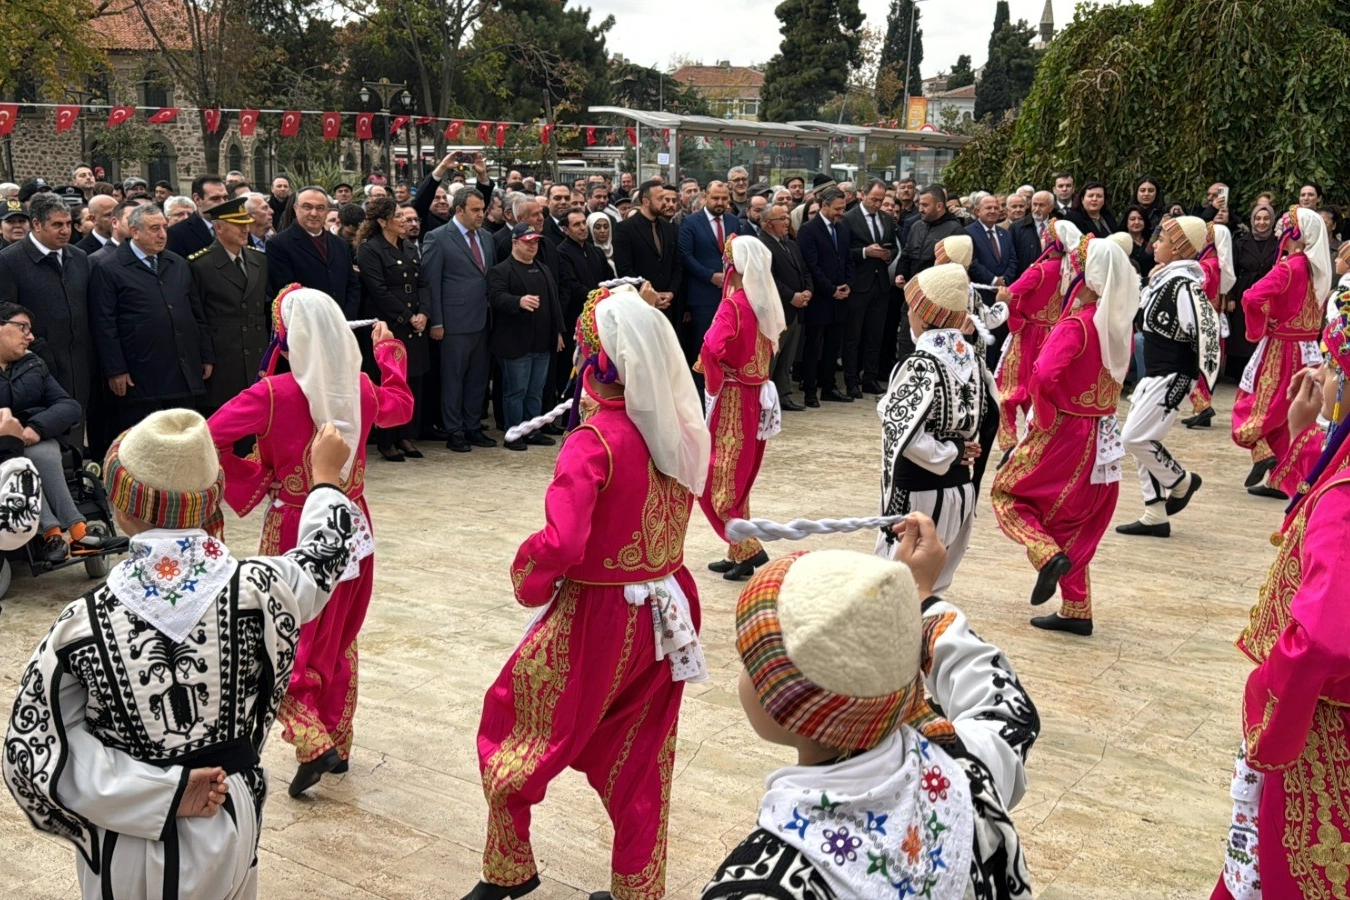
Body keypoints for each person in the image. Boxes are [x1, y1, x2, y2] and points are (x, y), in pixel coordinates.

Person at [3, 410, 360, 900]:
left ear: (123, 508)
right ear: (210, 506)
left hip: (127, 840)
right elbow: (325, 555)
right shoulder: (262, 589)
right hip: (231, 820)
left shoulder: (80, 626)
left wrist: (159, 792)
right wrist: (324, 480)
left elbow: (35, 749)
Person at [465, 284, 710, 900]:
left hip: (597, 614)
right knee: (644, 756)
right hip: (668, 609)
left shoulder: (594, 439)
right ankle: (637, 887)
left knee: (512, 725)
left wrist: (528, 573)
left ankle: (508, 868)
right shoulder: (680, 430)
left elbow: (564, 542)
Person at [701, 532, 1036, 898]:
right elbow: (1004, 704)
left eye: (747, 659)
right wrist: (917, 600)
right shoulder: (964, 770)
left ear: (787, 707)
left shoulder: (763, 886)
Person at [208, 286, 413, 797]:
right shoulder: (361, 389)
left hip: (295, 524)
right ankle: (337, 741)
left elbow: (209, 435)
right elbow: (400, 409)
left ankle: (311, 738)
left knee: (285, 631)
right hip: (354, 522)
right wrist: (390, 356)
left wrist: (255, 473)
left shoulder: (273, 394)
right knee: (340, 634)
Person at [1210, 299, 1350, 900]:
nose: (1320, 375)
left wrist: (1269, 701)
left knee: (1293, 870)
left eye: (1333, 367)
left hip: (1324, 723)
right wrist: (1299, 431)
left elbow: (1322, 636)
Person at [992, 236, 1137, 635]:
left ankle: (1045, 553)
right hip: (1103, 428)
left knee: (1008, 493)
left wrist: (1044, 414)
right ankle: (1077, 608)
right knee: (1076, 517)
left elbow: (1042, 373)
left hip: (1066, 428)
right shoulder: (1117, 322)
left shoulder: (1078, 323)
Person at [874, 260, 994, 599]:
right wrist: (962, 447)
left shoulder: (920, 365)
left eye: (911, 308)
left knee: (896, 591)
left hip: (920, 498)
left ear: (924, 315)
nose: (908, 315)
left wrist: (952, 451)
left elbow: (903, 433)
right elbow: (990, 417)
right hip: (960, 494)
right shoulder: (973, 360)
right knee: (932, 588)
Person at [1115, 216, 1220, 537]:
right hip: (1156, 372)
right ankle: (1154, 513)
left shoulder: (1184, 285)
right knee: (1143, 440)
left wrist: (1193, 375)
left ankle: (1182, 481)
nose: (1154, 244)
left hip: (1172, 373)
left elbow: (1204, 328)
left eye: (1161, 240)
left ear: (1177, 249)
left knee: (1135, 438)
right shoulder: (1166, 278)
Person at [698, 235, 785, 581]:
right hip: (755, 394)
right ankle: (737, 552)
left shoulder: (733, 305)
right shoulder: (761, 304)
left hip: (733, 396)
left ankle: (748, 547)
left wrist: (711, 374)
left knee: (717, 477)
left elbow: (711, 347)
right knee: (738, 479)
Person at [1233, 207, 1331, 495]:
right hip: (1308, 349)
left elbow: (1251, 296)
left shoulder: (1289, 267)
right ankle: (1281, 476)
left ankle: (1262, 452)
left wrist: (1264, 318)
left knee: (1253, 406)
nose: (1279, 233)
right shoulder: (1316, 269)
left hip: (1281, 348)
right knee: (1289, 412)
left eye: (1284, 227)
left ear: (1296, 234)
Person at [89, 204, 212, 432]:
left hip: (181, 368)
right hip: (140, 374)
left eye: (164, 227)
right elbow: (105, 324)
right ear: (134, 231)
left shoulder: (178, 264)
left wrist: (205, 355)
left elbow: (195, 313)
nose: (163, 234)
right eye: (154, 228)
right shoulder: (110, 268)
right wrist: (116, 369)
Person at [0, 301, 94, 563]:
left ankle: (78, 531)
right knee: (19, 464)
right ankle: (52, 533)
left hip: (34, 438)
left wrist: (34, 427)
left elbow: (68, 405)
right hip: (2, 447)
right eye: (22, 328)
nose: (30, 336)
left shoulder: (33, 364)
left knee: (42, 454)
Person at [0, 193, 96, 424]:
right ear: (36, 225)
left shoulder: (79, 257)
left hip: (81, 361)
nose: (65, 231)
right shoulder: (9, 261)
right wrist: (38, 347)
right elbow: (6, 314)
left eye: (68, 224)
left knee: (77, 421)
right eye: (56, 225)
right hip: (36, 364)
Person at [994, 219, 1080, 454]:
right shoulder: (1072, 273)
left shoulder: (1040, 270)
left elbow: (1011, 293)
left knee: (1008, 390)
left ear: (1051, 242)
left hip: (1028, 334)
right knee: (1040, 389)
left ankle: (1009, 440)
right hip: (1054, 334)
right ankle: (1036, 436)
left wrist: (1004, 299)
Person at [423, 187, 499, 453]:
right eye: (475, 210)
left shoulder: (487, 238)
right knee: (453, 379)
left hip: (483, 320)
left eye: (483, 210)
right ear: (459, 210)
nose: (481, 215)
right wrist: (436, 322)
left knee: (478, 378)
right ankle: (454, 430)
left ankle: (472, 427)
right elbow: (432, 283)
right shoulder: (438, 238)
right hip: (454, 323)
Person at [356, 195, 430, 462]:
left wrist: (424, 312)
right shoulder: (370, 249)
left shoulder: (409, 247)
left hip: (414, 322)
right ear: (382, 221)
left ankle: (406, 435)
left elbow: (423, 282)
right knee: (389, 380)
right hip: (389, 324)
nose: (404, 220)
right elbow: (379, 290)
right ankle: (388, 440)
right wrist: (407, 316)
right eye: (398, 216)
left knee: (413, 380)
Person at [184, 196, 270, 419]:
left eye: (246, 224)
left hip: (255, 348)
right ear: (219, 227)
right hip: (224, 354)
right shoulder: (201, 265)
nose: (245, 230)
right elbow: (197, 316)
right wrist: (206, 356)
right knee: (225, 416)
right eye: (238, 225)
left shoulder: (258, 259)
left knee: (257, 414)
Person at [487, 224, 565, 451]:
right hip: (515, 343)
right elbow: (496, 297)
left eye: (535, 242)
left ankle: (532, 430)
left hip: (542, 341)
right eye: (527, 241)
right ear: (515, 242)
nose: (532, 246)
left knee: (535, 391)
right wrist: (518, 302)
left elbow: (554, 302)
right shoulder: (500, 270)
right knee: (516, 391)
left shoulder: (543, 268)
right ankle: (514, 433)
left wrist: (558, 330)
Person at [265, 186, 362, 317]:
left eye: (320, 208)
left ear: (327, 211)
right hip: (306, 323)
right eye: (307, 207)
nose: (314, 213)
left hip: (343, 323)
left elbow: (352, 285)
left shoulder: (340, 244)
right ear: (296, 209)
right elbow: (286, 290)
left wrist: (346, 317)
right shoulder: (278, 244)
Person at [797, 187, 854, 407]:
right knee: (813, 346)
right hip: (819, 299)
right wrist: (830, 289)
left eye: (843, 208)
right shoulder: (808, 230)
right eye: (837, 209)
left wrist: (848, 285)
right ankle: (810, 390)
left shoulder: (842, 229)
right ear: (824, 206)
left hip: (840, 298)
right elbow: (811, 265)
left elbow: (848, 259)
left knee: (833, 345)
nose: (841, 213)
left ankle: (829, 387)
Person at [841, 179, 896, 396]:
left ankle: (870, 378)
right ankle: (851, 380)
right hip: (859, 283)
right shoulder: (849, 218)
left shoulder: (886, 218)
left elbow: (892, 244)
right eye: (874, 199)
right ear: (863, 195)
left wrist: (887, 254)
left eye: (881, 200)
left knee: (876, 334)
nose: (877, 204)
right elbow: (844, 251)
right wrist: (865, 252)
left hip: (880, 283)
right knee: (854, 336)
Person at [758, 203, 812, 413]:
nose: (786, 222)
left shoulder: (790, 244)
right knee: (773, 356)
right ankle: (765, 397)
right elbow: (769, 278)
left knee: (788, 356)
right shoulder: (763, 245)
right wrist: (792, 296)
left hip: (796, 310)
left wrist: (808, 291)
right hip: (777, 310)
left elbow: (804, 271)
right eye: (781, 219)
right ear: (767, 224)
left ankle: (783, 394)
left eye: (787, 218)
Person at [1182, 221, 1237, 428]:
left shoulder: (1207, 265)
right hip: (1212, 319)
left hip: (1203, 320)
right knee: (1205, 365)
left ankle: (1203, 407)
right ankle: (1202, 407)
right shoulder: (1216, 264)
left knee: (1200, 365)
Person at [612, 179, 682, 330]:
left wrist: (671, 291)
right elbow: (624, 269)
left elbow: (677, 265)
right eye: (660, 199)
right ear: (645, 201)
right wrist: (651, 295)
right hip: (639, 305)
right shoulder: (624, 229)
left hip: (668, 305)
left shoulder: (669, 229)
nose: (665, 202)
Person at [1226, 203, 1279, 381]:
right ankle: (1239, 372)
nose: (1261, 222)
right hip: (1245, 289)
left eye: (1266, 218)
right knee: (1243, 330)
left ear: (1272, 220)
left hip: (1268, 291)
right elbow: (1231, 269)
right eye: (1258, 218)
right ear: (1252, 220)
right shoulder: (1241, 242)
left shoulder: (1279, 242)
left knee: (1264, 330)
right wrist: (1231, 296)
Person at [165, 174, 227, 259]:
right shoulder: (177, 233)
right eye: (215, 199)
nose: (223, 203)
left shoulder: (235, 226)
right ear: (197, 199)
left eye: (225, 197)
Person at [587, 211, 616, 277]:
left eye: (606, 227)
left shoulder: (617, 248)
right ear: (590, 229)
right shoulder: (588, 252)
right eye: (598, 227)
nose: (602, 231)